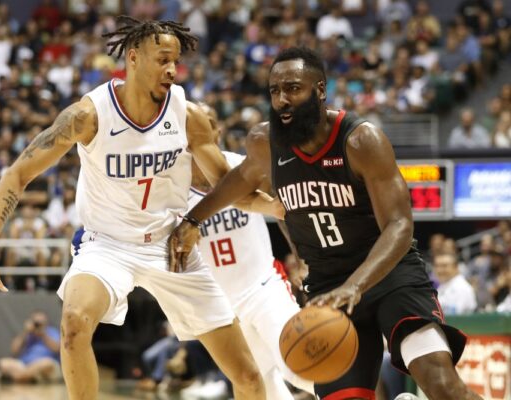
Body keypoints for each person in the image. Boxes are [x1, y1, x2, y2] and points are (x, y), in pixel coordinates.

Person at [0, 16, 277, 400]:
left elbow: (229, 188)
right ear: (132, 58)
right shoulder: (89, 115)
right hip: (108, 245)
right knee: (75, 323)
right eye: (163, 59)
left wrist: (283, 209)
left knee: (247, 376)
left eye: (176, 62)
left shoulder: (188, 116)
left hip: (170, 246)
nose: (172, 70)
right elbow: (16, 176)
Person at [169, 46, 483, 400]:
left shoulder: (361, 140)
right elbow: (238, 181)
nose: (283, 100)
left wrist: (357, 285)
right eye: (275, 91)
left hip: (390, 277)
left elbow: (399, 226)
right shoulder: (265, 142)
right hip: (329, 287)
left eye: (293, 88)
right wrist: (194, 219)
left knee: (440, 384)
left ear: (320, 90)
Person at [188, 104, 315, 399]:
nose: (200, 129)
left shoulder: (242, 167)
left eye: (208, 123)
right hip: (222, 307)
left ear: (217, 132)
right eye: (192, 125)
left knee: (298, 366)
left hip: (263, 287)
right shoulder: (172, 187)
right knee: (259, 383)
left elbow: (281, 208)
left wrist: (302, 259)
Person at [0, 311, 61, 383]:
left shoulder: (52, 332)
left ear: (46, 322)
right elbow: (14, 350)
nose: (37, 325)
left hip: (44, 364)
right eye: (35, 323)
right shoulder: (28, 334)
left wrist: (43, 335)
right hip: (25, 365)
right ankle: (28, 377)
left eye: (40, 323)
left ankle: (20, 377)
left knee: (46, 363)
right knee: (3, 363)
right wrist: (25, 332)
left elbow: (57, 348)